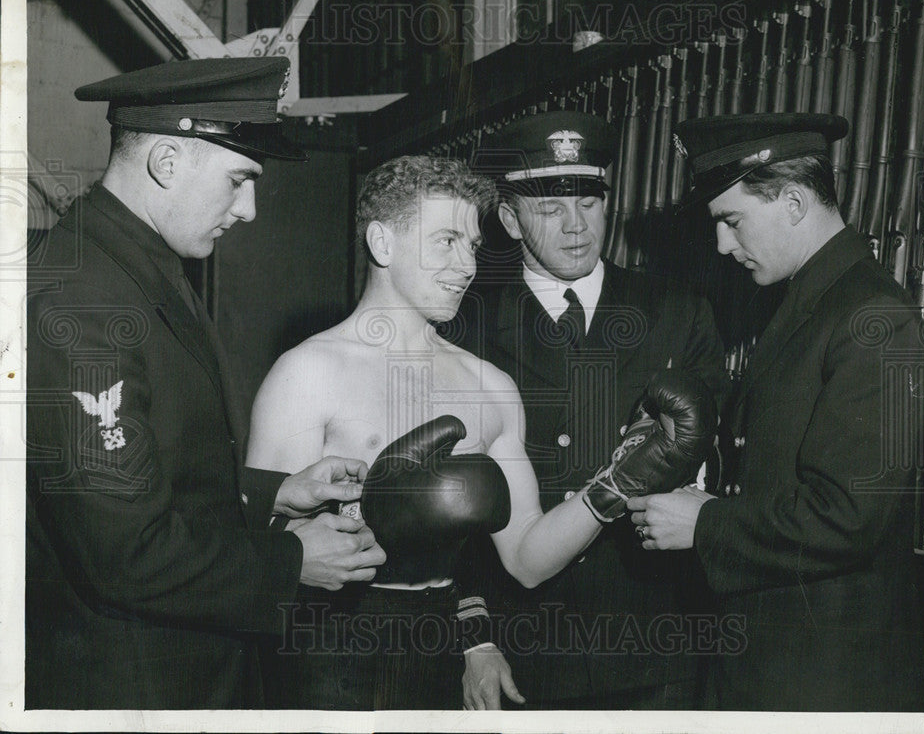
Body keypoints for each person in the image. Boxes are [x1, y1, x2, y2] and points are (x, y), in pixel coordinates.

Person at [246, 154, 716, 709]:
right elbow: (255, 550)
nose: (465, 265)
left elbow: (528, 560)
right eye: (445, 241)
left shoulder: (488, 385)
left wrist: (616, 486)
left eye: (471, 245)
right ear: (383, 243)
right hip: (331, 647)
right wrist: (355, 519)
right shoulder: (308, 370)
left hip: (443, 648)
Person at [26, 57, 387, 709]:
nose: (249, 209)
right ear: (167, 161)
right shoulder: (83, 301)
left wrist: (279, 492)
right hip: (131, 687)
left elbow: (155, 471)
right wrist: (289, 560)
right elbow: (126, 551)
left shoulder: (140, 262)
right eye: (239, 179)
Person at [628, 112, 924, 711]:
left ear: (793, 202)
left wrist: (704, 523)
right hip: (774, 660)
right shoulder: (812, 301)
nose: (721, 244)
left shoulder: (877, 318)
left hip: (826, 681)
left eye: (732, 221)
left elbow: (848, 515)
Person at [446, 110, 731, 710]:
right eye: (550, 209)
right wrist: (474, 637)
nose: (575, 227)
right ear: (509, 219)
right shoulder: (464, 324)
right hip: (523, 646)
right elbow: (450, 512)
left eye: (589, 202)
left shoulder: (679, 312)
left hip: (655, 644)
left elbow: (714, 468)